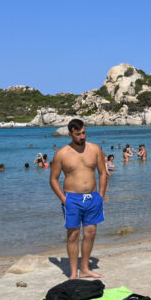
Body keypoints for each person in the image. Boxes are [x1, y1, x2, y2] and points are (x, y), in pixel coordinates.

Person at [49, 118, 108, 279]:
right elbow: (53, 179)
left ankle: (85, 269)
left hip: (92, 197)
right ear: (70, 134)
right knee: (73, 235)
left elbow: (103, 173)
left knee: (90, 233)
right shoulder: (61, 154)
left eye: (84, 133)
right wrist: (63, 199)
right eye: (78, 134)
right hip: (72, 199)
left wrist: (101, 195)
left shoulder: (95, 149)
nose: (82, 137)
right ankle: (73, 273)